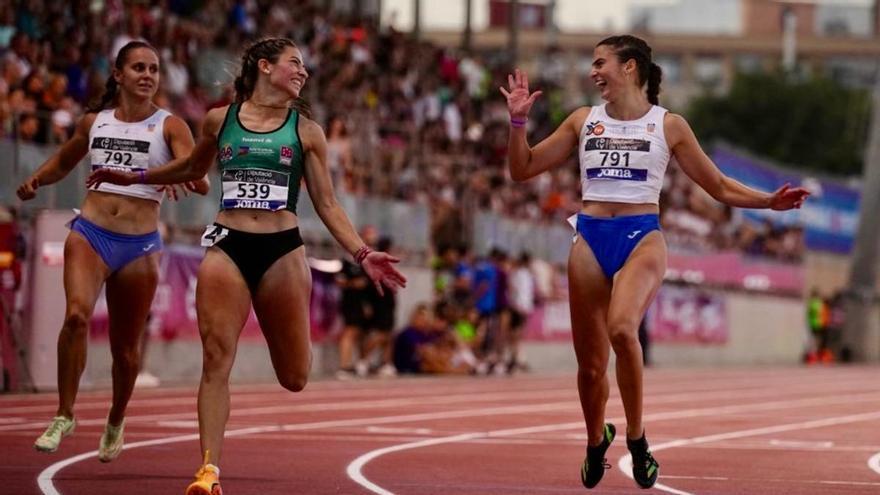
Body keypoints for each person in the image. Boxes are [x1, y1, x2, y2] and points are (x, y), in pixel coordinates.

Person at [87, 37, 406, 495]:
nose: (303, 73)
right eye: (295, 63)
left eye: (305, 66)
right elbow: (189, 170)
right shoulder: (220, 119)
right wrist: (133, 176)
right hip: (227, 246)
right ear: (264, 66)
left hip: (282, 250)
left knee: (295, 376)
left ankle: (219, 456)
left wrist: (361, 253)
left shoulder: (306, 131)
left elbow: (329, 205)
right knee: (216, 360)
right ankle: (208, 471)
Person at [500, 34, 808, 489]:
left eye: (600, 62)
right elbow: (522, 169)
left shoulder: (669, 126)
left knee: (623, 328)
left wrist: (768, 202)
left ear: (630, 68)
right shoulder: (583, 121)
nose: (592, 72)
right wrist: (517, 123)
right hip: (590, 235)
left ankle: (637, 437)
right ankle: (594, 440)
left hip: (642, 236)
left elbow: (718, 185)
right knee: (588, 367)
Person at [16, 41, 208, 462]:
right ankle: (65, 413)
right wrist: (36, 181)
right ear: (118, 75)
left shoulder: (171, 125)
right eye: (138, 67)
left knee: (125, 349)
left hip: (139, 245)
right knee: (76, 315)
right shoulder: (94, 122)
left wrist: (166, 173)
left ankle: (116, 418)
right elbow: (64, 161)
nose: (148, 75)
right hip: (91, 231)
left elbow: (200, 177)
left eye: (154, 69)